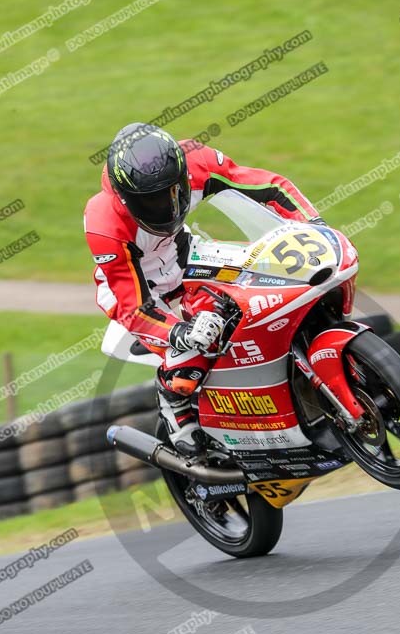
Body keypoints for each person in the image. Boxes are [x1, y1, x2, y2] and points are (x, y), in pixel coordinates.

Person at [84, 123, 323, 455]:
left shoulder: (197, 160)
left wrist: (314, 227)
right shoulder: (103, 222)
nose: (166, 206)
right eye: (150, 201)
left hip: (187, 260)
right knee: (200, 342)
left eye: (171, 191)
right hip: (141, 294)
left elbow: (269, 186)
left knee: (259, 292)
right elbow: (133, 306)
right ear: (126, 199)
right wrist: (179, 332)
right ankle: (174, 400)